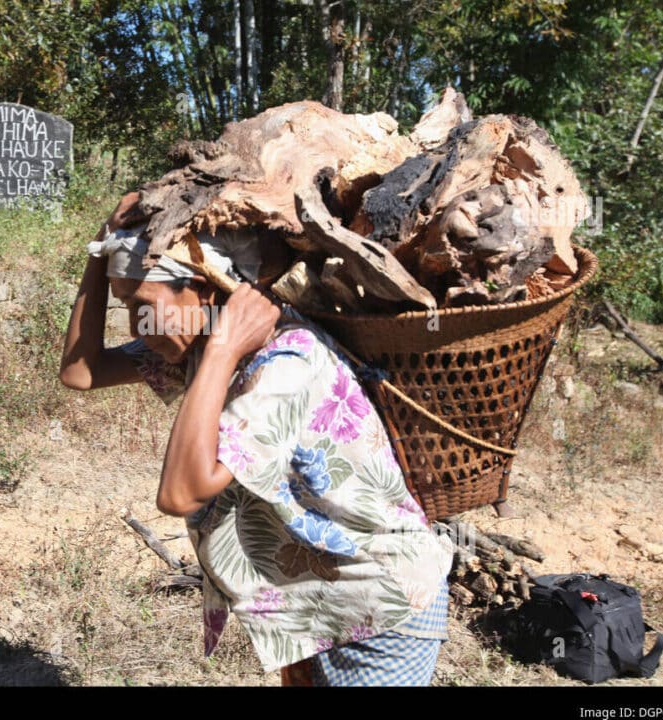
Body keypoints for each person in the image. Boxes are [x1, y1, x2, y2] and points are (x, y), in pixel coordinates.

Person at [59, 193, 454, 686]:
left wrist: (224, 349)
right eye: (126, 308)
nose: (139, 325)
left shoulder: (285, 364)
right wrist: (100, 252)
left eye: (143, 307)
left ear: (205, 290)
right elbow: (82, 370)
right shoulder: (196, 346)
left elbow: (180, 493)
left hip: (379, 610)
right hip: (315, 604)